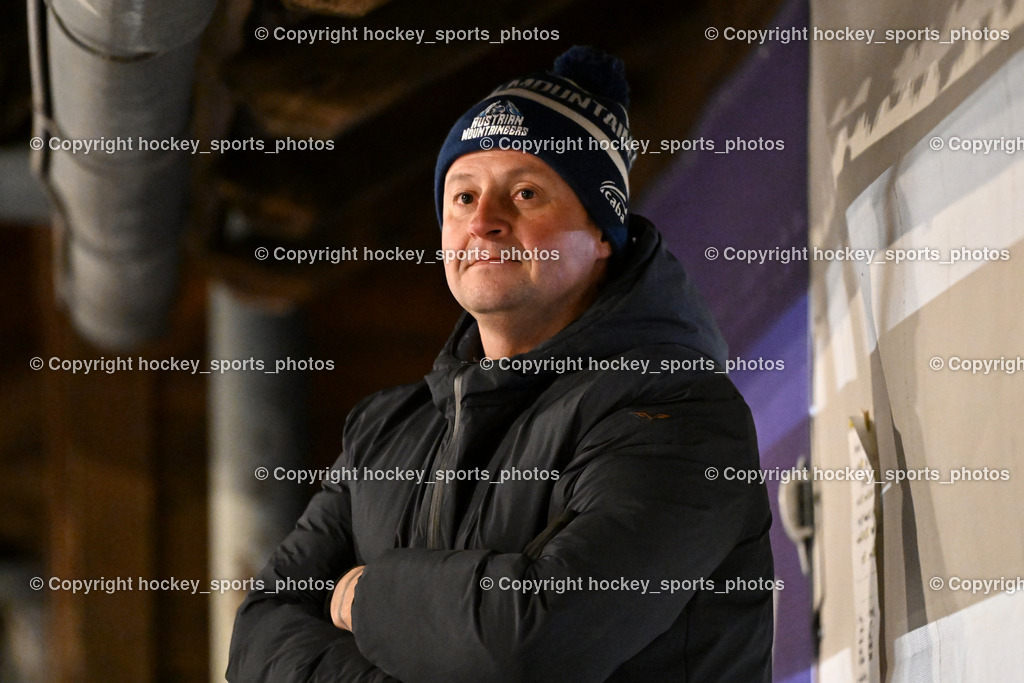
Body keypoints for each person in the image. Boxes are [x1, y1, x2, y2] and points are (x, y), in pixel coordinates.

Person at [227, 45, 774, 682]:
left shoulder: (678, 412)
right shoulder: (384, 430)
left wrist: (369, 596)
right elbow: (260, 636)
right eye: (462, 197)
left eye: (525, 193)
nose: (483, 221)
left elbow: (537, 636)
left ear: (601, 233)